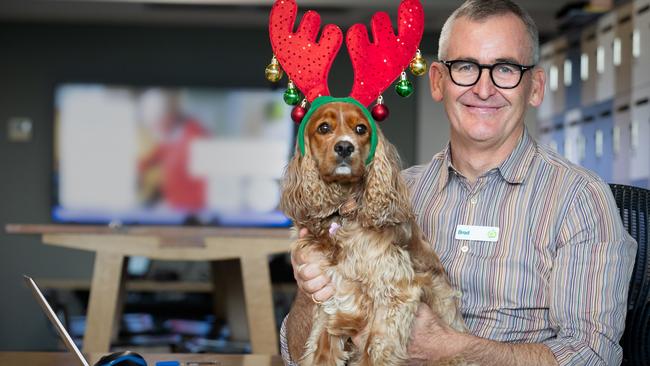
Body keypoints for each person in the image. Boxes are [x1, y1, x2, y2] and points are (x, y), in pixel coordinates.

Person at [281, 0, 637, 365]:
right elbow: (296, 357)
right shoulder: (394, 196)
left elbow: (593, 355)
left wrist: (452, 347)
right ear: (437, 81)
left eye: (506, 68)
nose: (484, 89)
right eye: (465, 67)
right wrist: (311, 294)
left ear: (535, 87)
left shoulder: (580, 199)